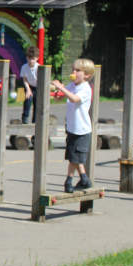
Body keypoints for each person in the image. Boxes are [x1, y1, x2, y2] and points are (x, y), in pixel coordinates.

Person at [51, 58, 95, 193]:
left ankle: (69, 181)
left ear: (86, 75)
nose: (74, 73)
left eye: (78, 71)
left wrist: (62, 88)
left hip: (82, 129)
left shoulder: (85, 88)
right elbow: (61, 95)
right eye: (73, 70)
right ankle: (84, 179)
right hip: (72, 127)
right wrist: (56, 90)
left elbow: (74, 99)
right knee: (73, 156)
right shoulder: (72, 85)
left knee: (74, 157)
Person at [18, 46, 40, 125]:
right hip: (29, 86)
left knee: (37, 103)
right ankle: (25, 117)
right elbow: (25, 79)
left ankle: (35, 121)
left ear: (37, 58)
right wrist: (28, 90)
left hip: (38, 87)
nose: (31, 61)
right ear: (27, 58)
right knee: (28, 99)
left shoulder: (39, 67)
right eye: (29, 58)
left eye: (33, 59)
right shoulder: (24, 67)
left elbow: (40, 81)